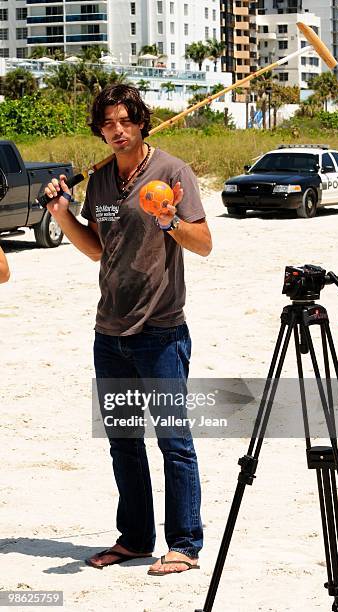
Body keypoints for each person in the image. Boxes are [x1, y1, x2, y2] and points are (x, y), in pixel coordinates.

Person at [44, 84, 212, 576]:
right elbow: (97, 248)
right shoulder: (98, 182)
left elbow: (203, 243)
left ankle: (184, 544)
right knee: (123, 443)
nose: (116, 132)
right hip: (109, 332)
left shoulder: (172, 171)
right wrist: (62, 215)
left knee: (174, 442)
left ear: (141, 122)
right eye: (107, 125)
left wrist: (168, 221)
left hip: (160, 331)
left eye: (124, 122)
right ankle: (135, 539)